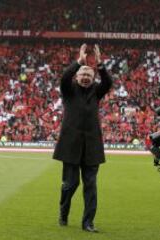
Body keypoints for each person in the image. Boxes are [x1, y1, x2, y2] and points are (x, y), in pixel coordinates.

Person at [53, 43, 112, 233]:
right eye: (82, 74)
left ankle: (88, 223)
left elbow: (108, 83)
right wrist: (79, 61)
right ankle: (64, 212)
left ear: (93, 77)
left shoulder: (97, 91)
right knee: (70, 185)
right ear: (77, 76)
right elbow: (64, 78)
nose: (85, 77)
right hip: (70, 145)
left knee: (91, 185)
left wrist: (100, 64)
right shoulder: (68, 90)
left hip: (92, 146)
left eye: (89, 75)